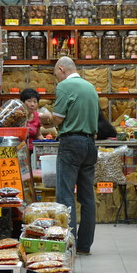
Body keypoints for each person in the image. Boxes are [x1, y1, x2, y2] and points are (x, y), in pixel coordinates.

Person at [49, 56, 100, 255]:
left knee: (65, 194)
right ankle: (85, 246)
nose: (56, 79)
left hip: (71, 143)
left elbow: (57, 118)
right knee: (87, 197)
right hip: (90, 144)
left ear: (62, 69)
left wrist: (44, 118)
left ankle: (68, 244)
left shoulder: (65, 86)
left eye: (56, 74)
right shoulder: (90, 87)